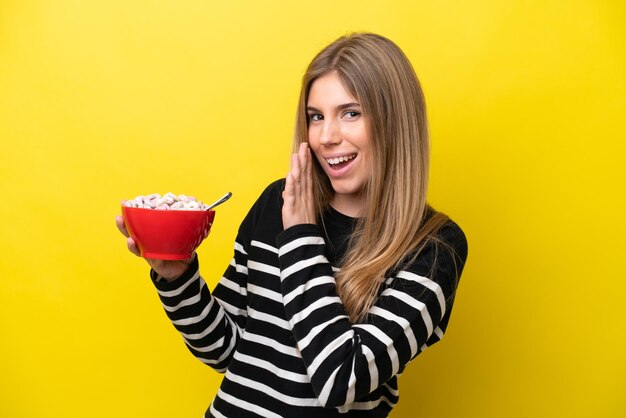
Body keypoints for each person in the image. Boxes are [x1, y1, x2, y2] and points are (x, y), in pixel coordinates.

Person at [116, 32, 468, 418]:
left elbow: (340, 376)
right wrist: (179, 279)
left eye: (350, 113)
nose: (326, 137)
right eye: (316, 117)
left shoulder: (434, 248)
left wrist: (301, 237)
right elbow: (228, 350)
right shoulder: (275, 203)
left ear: (394, 121)